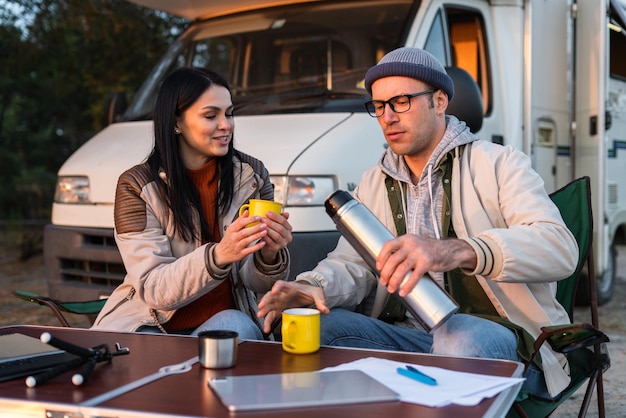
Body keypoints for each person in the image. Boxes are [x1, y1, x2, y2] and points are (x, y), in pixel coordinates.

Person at [257, 47, 578, 398]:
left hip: (498, 339)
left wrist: (458, 251)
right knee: (310, 329)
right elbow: (352, 264)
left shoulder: (499, 164)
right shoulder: (374, 181)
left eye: (402, 101)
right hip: (404, 337)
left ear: (439, 101)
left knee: (458, 338)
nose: (388, 117)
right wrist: (313, 285)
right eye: (379, 106)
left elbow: (559, 248)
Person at [92, 67, 292, 339]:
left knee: (237, 325)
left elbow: (255, 283)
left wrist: (269, 256)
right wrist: (219, 255)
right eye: (211, 115)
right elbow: (153, 288)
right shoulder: (136, 186)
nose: (226, 125)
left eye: (229, 114)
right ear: (176, 122)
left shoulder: (252, 176)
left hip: (225, 323)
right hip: (152, 326)